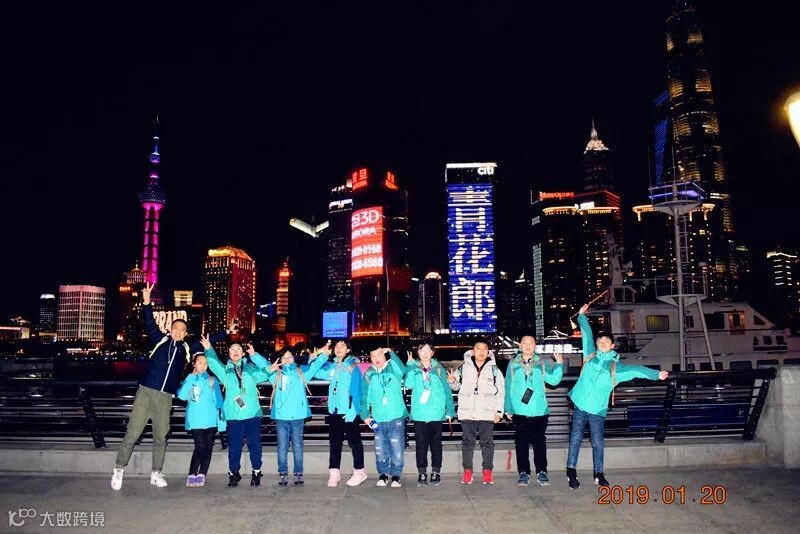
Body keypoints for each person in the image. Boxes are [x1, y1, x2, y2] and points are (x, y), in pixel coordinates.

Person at [111, 283, 230, 491]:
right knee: (133, 432)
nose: (178, 332)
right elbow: (149, 322)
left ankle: (156, 473)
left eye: (182, 330)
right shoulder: (159, 339)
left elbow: (207, 340)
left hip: (166, 397)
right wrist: (146, 302)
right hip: (146, 392)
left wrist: (227, 331)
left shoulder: (187, 348)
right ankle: (119, 468)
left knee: (160, 436)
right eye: (176, 329)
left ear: (185, 334)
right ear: (170, 329)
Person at [566, 303, 669, 489]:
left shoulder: (616, 368)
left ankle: (598, 474)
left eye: (606, 342)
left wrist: (656, 374)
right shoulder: (590, 355)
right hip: (580, 404)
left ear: (612, 346)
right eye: (600, 342)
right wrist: (581, 316)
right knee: (575, 438)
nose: (601, 344)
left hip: (597, 409)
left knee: (598, 442)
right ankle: (571, 471)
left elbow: (636, 370)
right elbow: (587, 334)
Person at [201, 336, 272, 488]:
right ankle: (234, 473)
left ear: (243, 353)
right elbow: (213, 363)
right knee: (234, 446)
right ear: (228, 353)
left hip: (252, 413)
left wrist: (267, 367)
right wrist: (209, 349)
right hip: (233, 415)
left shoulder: (250, 368)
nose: (235, 351)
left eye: (238, 349)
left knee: (254, 445)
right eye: (232, 349)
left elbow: (264, 372)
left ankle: (256, 472)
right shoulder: (225, 371)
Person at [504, 335, 563, 487]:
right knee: (521, 443)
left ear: (535, 346)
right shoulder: (513, 364)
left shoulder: (541, 363)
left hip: (539, 411)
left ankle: (542, 471)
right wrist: (508, 408)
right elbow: (508, 386)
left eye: (531, 343)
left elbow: (553, 381)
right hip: (519, 410)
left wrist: (559, 365)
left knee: (539, 443)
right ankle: (523, 472)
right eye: (524, 343)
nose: (528, 345)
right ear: (520, 345)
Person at [268, 342, 331, 486]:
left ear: (294, 359)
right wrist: (254, 356)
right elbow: (263, 367)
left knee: (297, 445)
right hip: (281, 417)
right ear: (280, 360)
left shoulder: (301, 372)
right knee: (282, 446)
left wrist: (324, 355)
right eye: (284, 357)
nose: (287, 360)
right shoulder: (275, 374)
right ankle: (283, 473)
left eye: (290, 357)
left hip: (297, 416)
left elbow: (314, 367)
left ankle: (298, 473)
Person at [447, 339, 505, 485]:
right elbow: (456, 387)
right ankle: (467, 472)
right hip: (467, 412)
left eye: (484, 349)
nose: (481, 352)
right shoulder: (463, 368)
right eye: (478, 348)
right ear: (473, 351)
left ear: (488, 352)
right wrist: (452, 381)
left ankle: (487, 472)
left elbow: (501, 392)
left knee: (487, 444)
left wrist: (499, 412)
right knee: (467, 443)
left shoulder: (495, 370)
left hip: (487, 412)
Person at [312, 339, 368, 487]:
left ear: (348, 350)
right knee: (335, 443)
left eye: (342, 346)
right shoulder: (332, 366)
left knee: (354, 442)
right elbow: (314, 372)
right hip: (334, 411)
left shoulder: (353, 366)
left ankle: (360, 471)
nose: (338, 348)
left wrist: (352, 411)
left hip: (348, 411)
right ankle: (334, 472)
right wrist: (322, 356)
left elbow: (357, 390)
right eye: (336, 346)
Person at [404, 341, 456, 487]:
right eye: (422, 350)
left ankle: (436, 472)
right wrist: (410, 367)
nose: (425, 353)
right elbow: (408, 384)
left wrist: (450, 410)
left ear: (433, 353)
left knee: (436, 445)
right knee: (420, 444)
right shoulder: (414, 368)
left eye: (428, 350)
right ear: (418, 353)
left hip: (436, 413)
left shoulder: (439, 369)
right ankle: (422, 472)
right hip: (419, 414)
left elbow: (447, 391)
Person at [360, 346, 408, 488]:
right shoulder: (369, 374)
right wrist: (365, 416)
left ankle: (396, 475)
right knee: (380, 447)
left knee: (396, 446)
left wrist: (391, 352)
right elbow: (364, 396)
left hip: (396, 415)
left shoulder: (393, 369)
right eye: (373, 356)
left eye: (380, 355)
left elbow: (403, 370)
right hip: (378, 417)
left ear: (384, 355)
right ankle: (382, 474)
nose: (376, 358)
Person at [176, 352, 225, 487]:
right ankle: (192, 473)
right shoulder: (191, 379)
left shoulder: (212, 380)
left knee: (208, 446)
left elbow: (219, 402)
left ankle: (202, 473)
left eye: (205, 363)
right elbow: (181, 396)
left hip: (211, 419)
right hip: (196, 419)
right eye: (200, 363)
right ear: (194, 364)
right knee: (200, 446)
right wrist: (190, 378)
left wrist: (221, 422)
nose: (203, 366)